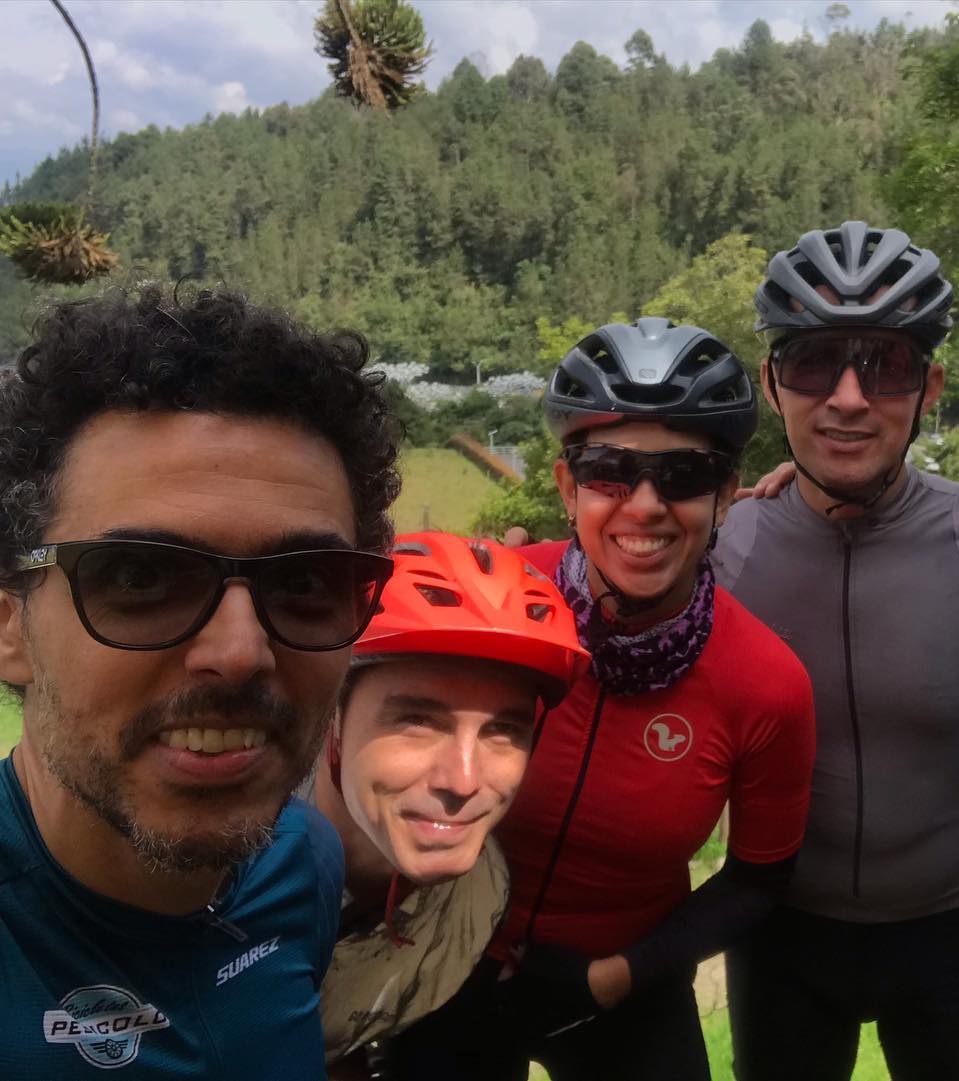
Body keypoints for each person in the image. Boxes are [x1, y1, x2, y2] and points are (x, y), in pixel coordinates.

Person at [393, 317, 816, 1081]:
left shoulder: (765, 680)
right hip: (444, 961)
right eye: (610, 471)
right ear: (567, 486)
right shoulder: (489, 598)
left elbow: (760, 876)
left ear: (726, 493)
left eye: (684, 476)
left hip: (629, 980)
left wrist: (612, 975)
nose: (645, 504)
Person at [0, 284, 401, 1077]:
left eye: (307, 581)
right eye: (142, 575)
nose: (242, 650)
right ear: (11, 626)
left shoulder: (301, 860)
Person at [714, 221, 959, 1081]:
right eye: (812, 363)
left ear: (931, 387)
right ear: (773, 384)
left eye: (885, 365)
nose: (847, 397)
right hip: (779, 938)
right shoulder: (725, 550)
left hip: (945, 937)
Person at [311, 531, 588, 1076]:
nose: (463, 781)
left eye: (504, 730)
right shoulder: (210, 879)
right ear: (330, 717)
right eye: (416, 721)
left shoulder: (478, 895)